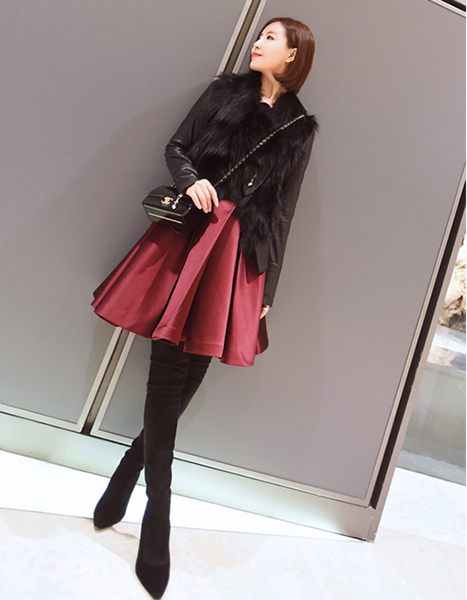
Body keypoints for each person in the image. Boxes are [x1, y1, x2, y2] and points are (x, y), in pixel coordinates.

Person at [91, 16, 318, 600]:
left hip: (239, 259)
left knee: (190, 375)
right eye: (259, 35)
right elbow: (176, 146)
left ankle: (126, 475)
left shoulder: (299, 128)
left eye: (270, 38)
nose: (257, 43)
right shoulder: (224, 93)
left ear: (294, 56)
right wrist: (192, 179)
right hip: (192, 240)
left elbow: (284, 212)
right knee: (167, 371)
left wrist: (268, 291)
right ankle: (157, 519)